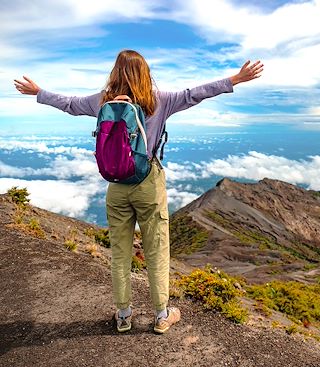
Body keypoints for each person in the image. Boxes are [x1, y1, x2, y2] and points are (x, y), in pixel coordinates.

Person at [14, 50, 263, 334]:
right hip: (149, 184)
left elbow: (69, 104)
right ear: (145, 72)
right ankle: (161, 316)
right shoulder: (160, 99)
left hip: (117, 187)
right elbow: (196, 93)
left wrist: (38, 92)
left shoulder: (102, 100)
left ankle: (123, 315)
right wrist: (236, 79)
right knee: (156, 250)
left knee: (120, 253)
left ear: (116, 72)